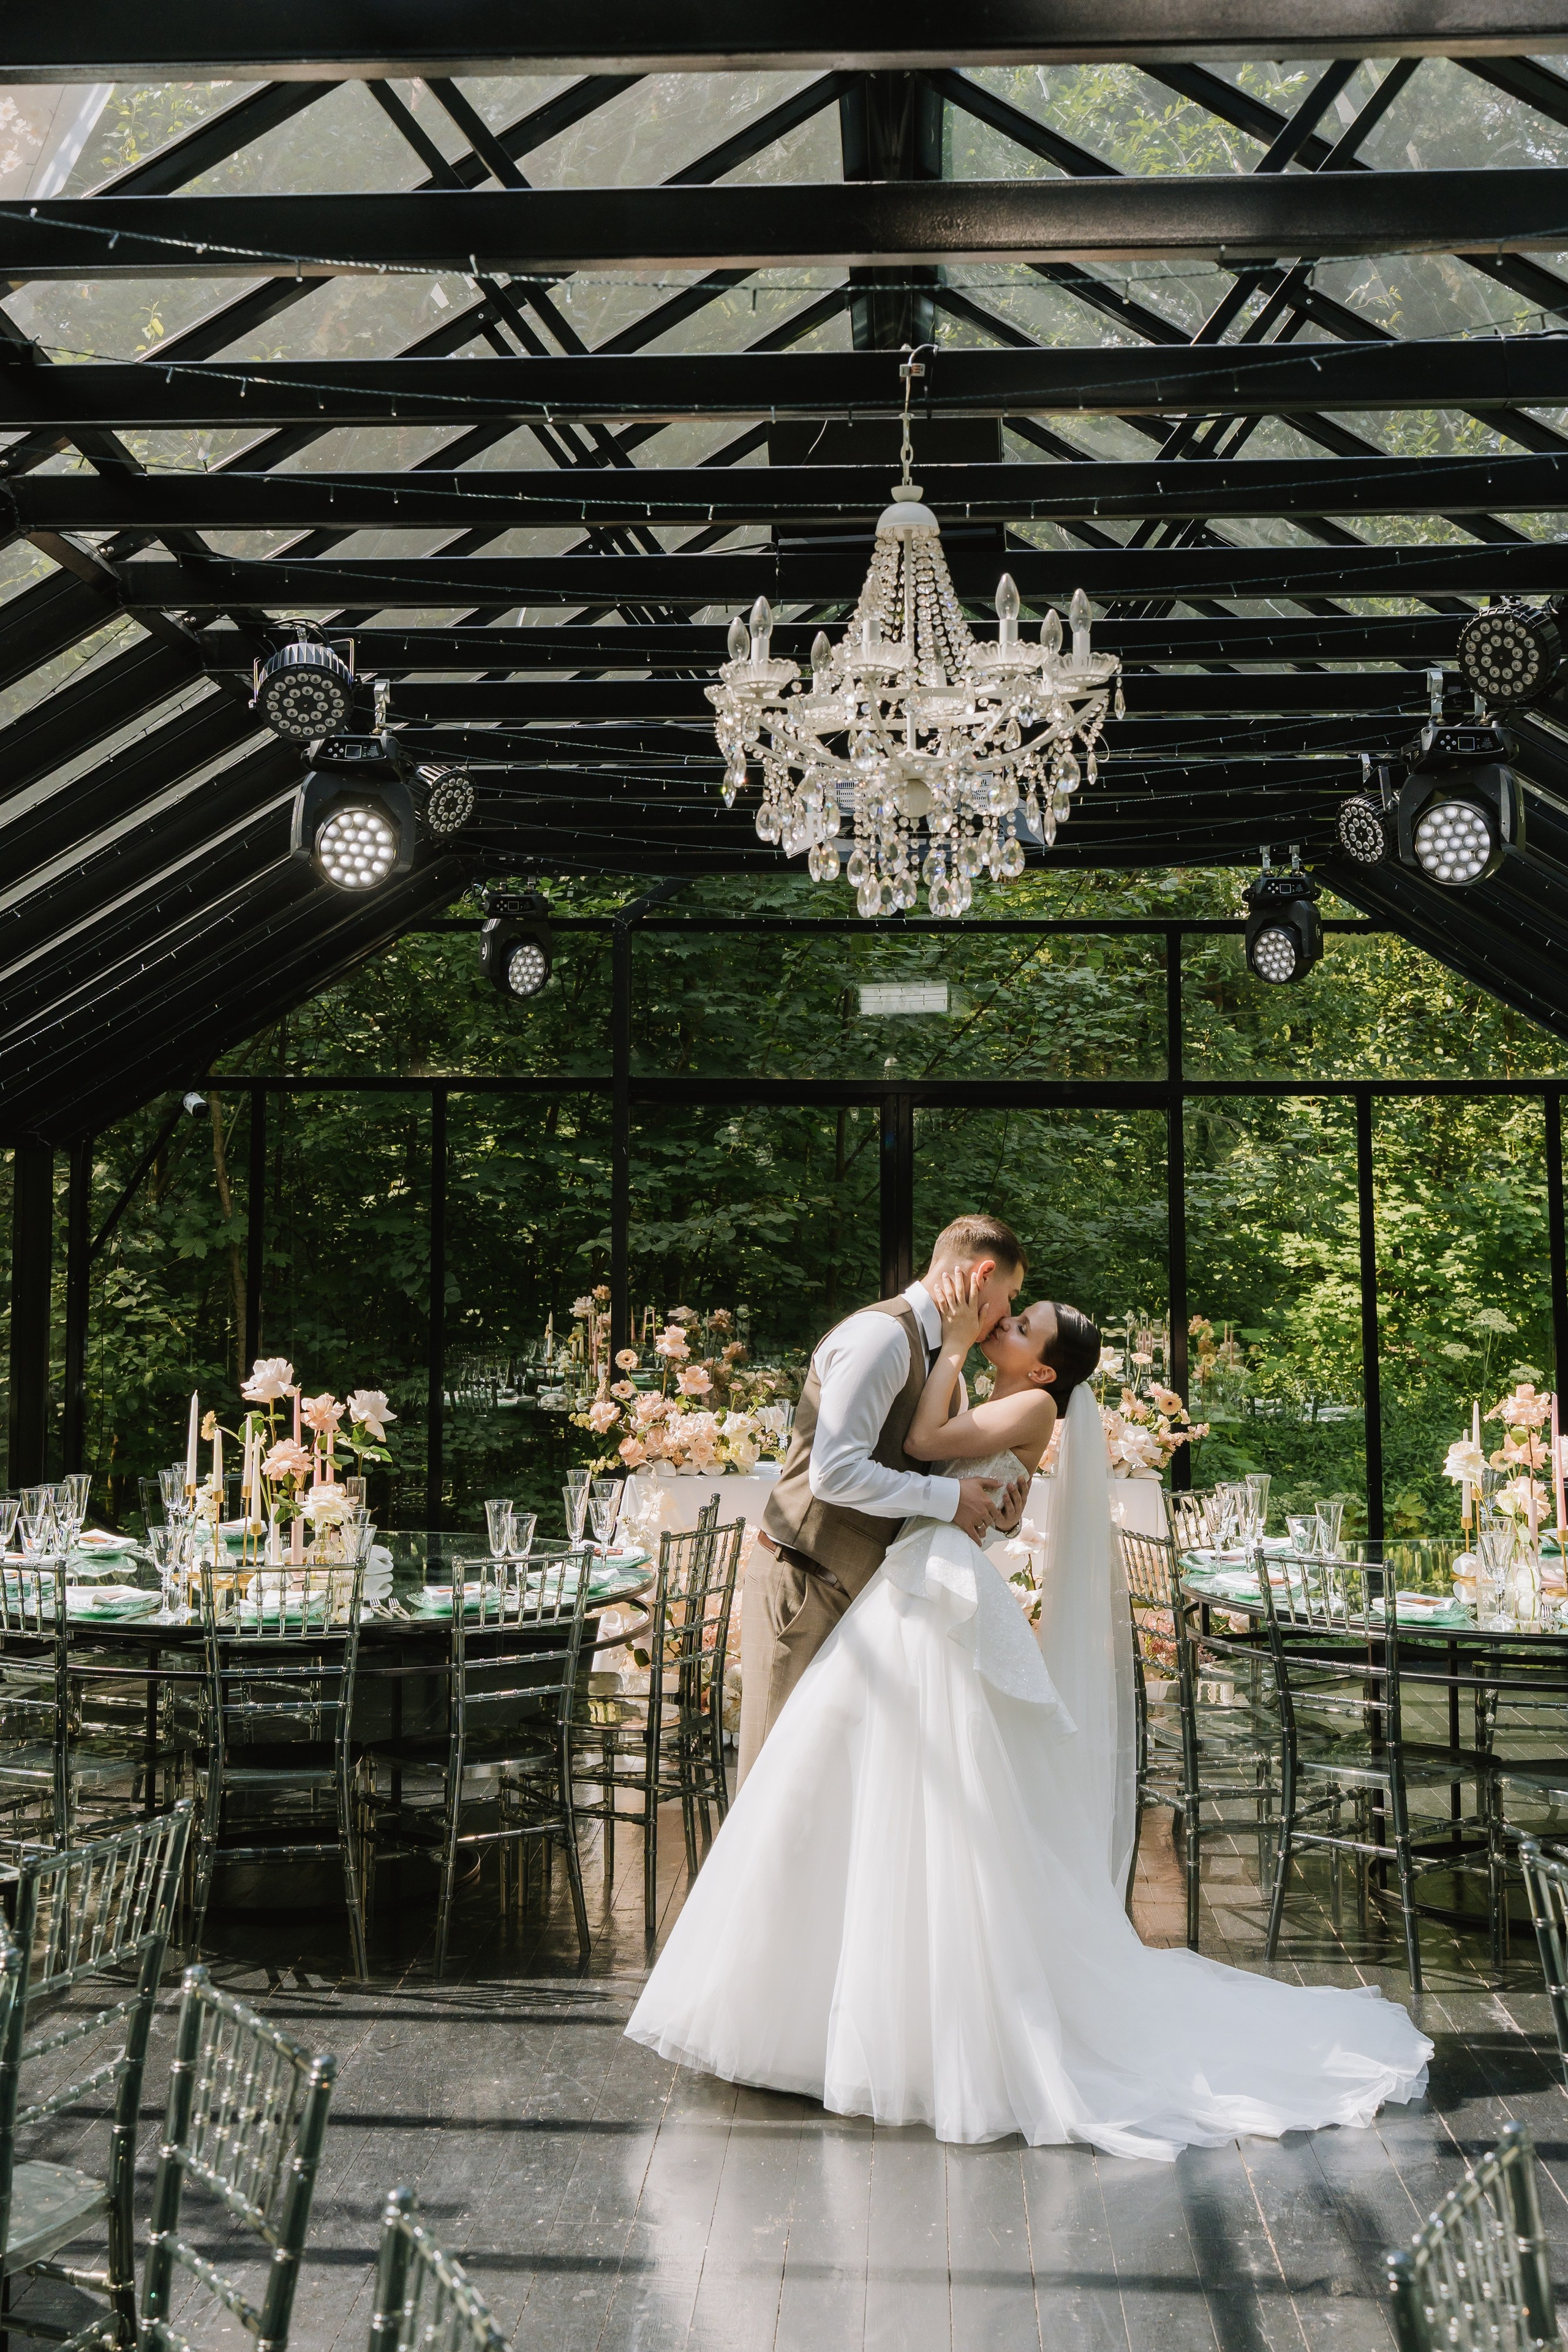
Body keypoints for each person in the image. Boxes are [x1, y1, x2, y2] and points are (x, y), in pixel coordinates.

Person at [626, 1280, 1431, 2158]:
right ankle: (827, 2004)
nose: (1007, 1320)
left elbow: (927, 1442)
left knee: (930, 1786)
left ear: (1044, 1365)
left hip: (936, 1587)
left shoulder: (1031, 1407)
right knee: (874, 1780)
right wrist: (963, 1370)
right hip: (923, 1576)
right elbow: (943, 1463)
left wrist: (960, 1345)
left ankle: (902, 2018)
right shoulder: (1006, 1397)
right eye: (1012, 1311)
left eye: (1023, 1324)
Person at [737, 1214, 1030, 1785]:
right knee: (772, 1781)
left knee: (830, 1787)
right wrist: (950, 1497)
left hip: (862, 1598)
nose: (1008, 1313)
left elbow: (937, 1483)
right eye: (1011, 1297)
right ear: (984, 1275)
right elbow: (835, 1474)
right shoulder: (879, 1337)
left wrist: (1000, 1520)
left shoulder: (947, 1362)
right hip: (804, 1586)